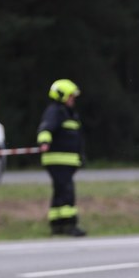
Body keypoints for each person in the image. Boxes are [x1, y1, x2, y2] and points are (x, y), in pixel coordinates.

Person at [38, 79, 87, 237]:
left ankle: (57, 225)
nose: (73, 99)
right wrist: (44, 141)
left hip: (68, 161)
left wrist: (80, 156)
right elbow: (46, 128)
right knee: (67, 192)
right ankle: (69, 225)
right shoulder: (55, 111)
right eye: (70, 96)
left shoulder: (70, 114)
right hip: (57, 160)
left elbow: (77, 138)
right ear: (61, 95)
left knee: (60, 191)